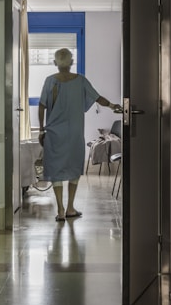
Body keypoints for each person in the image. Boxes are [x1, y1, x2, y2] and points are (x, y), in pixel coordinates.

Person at [38, 48, 121, 222]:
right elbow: (98, 98)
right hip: (74, 133)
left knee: (56, 168)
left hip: (54, 132)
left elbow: (42, 106)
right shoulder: (81, 80)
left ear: (55, 63)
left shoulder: (50, 81)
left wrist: (41, 129)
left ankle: (60, 209)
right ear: (71, 62)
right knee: (74, 167)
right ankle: (70, 208)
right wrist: (113, 106)